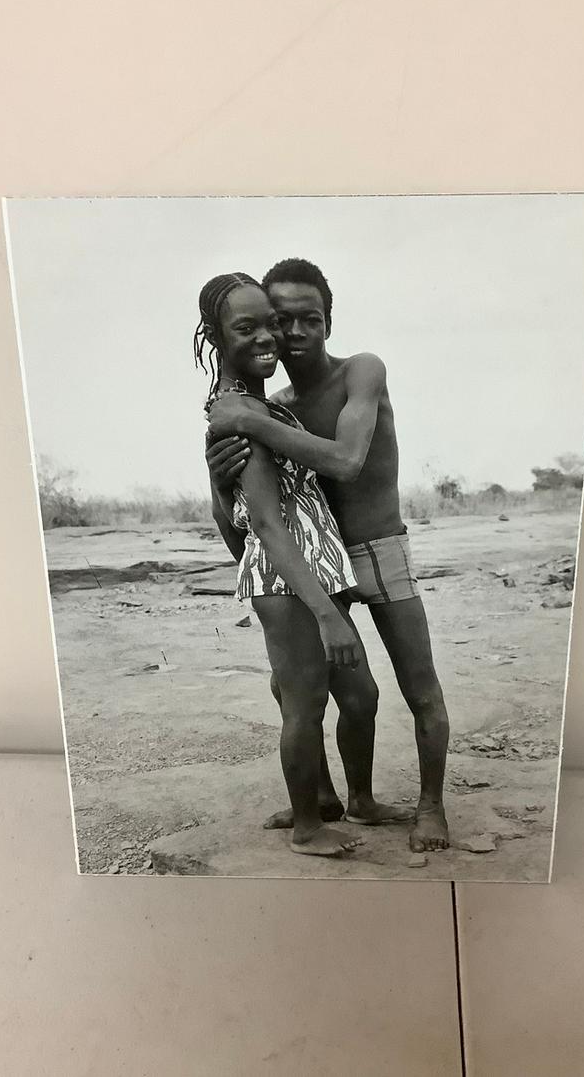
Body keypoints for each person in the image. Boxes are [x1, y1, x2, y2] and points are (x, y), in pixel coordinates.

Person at [207, 259, 451, 852]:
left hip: (378, 549)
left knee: (415, 690)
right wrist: (220, 482)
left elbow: (345, 461)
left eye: (308, 319)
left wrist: (252, 421)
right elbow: (254, 517)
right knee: (302, 690)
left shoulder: (358, 372)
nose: (291, 332)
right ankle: (319, 803)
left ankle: (430, 808)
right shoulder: (273, 405)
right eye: (279, 318)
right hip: (318, 565)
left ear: (329, 322)